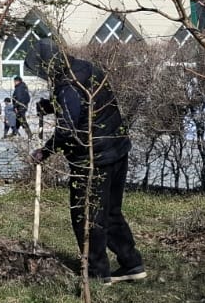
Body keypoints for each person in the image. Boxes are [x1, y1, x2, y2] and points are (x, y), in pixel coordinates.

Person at [27, 40, 147, 285]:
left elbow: (67, 129)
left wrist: (45, 151)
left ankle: (96, 273)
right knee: (111, 211)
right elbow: (87, 104)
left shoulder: (67, 85)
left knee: (86, 215)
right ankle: (131, 263)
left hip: (93, 159)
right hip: (117, 149)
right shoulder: (85, 68)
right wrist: (51, 106)